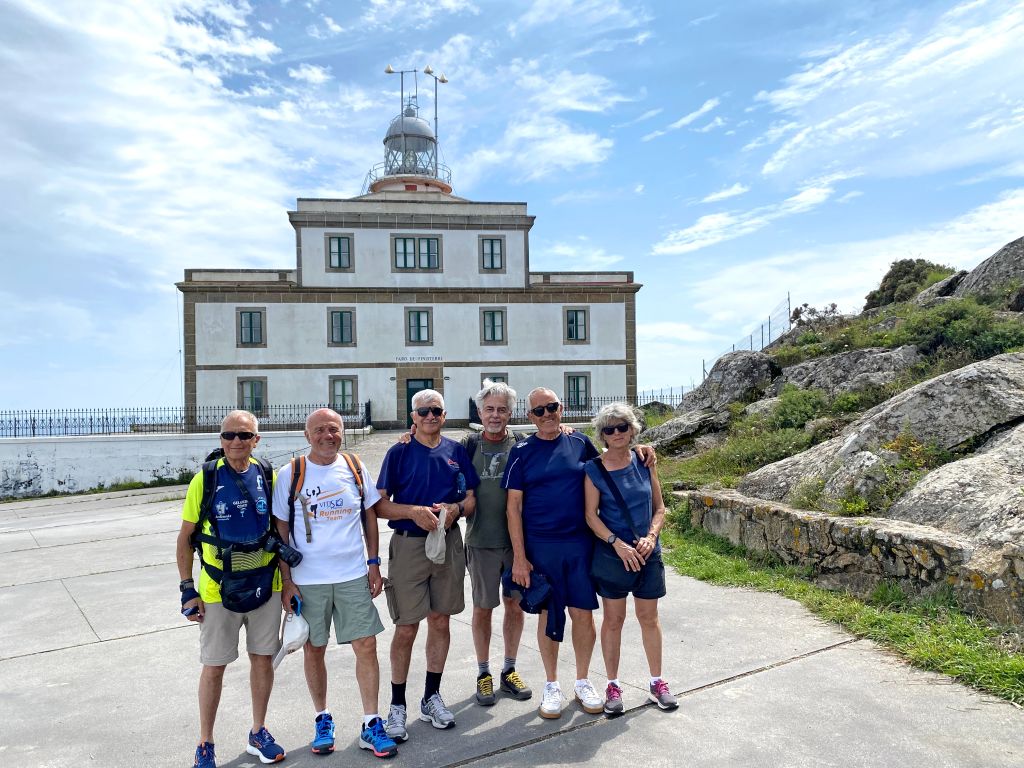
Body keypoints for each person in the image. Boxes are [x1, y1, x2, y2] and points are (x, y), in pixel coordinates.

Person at [272, 408, 398, 759]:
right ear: (307, 435)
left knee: (366, 646)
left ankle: (371, 723)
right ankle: (322, 718)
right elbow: (281, 529)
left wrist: (374, 564)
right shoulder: (290, 473)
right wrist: (287, 580)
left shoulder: (355, 467)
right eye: (320, 430)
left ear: (342, 432)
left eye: (334, 429)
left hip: (352, 575)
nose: (328, 435)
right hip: (308, 580)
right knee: (314, 649)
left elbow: (370, 516)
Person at [176, 410, 285, 768]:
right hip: (216, 589)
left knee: (262, 659)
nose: (235, 441)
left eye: (243, 435)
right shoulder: (205, 479)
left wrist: (288, 584)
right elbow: (185, 538)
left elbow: (279, 532)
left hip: (265, 585)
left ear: (257, 439)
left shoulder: (268, 475)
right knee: (214, 665)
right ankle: (205, 742)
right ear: (220, 440)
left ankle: (258, 730)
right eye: (228, 435)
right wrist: (187, 590)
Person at [375, 389, 480, 741]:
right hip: (408, 547)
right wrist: (411, 512)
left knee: (440, 619)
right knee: (406, 626)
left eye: (436, 410)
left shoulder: (455, 452)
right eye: (423, 411)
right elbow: (380, 506)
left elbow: (471, 497)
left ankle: (431, 697)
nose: (430, 416)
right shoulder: (399, 452)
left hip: (448, 543)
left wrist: (456, 510)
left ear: (444, 414)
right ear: (413, 417)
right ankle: (397, 704)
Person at [503, 387, 604, 720]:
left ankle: (583, 680)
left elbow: (612, 464)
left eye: (552, 407)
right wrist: (520, 557)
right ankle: (551, 685)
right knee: (549, 615)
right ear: (530, 417)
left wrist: (643, 451)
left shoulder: (581, 443)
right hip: (540, 546)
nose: (547, 415)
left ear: (562, 408)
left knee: (583, 614)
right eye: (539, 411)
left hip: (579, 543)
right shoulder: (521, 451)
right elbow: (513, 508)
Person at [584, 403, 678, 715]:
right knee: (614, 620)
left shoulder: (644, 460)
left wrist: (652, 537)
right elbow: (591, 516)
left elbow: (660, 507)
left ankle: (657, 683)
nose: (616, 434)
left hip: (648, 553)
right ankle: (613, 685)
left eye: (622, 427)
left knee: (649, 618)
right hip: (615, 557)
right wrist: (617, 543)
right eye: (608, 429)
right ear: (602, 435)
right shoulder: (594, 469)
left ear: (632, 429)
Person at [463, 380, 534, 706]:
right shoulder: (467, 445)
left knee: (514, 605)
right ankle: (483, 673)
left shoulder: (522, 445)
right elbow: (431, 448)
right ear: (480, 412)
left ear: (511, 412)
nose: (495, 415)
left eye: (501, 409)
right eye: (489, 409)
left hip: (516, 544)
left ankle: (509, 669)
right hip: (480, 542)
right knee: (483, 608)